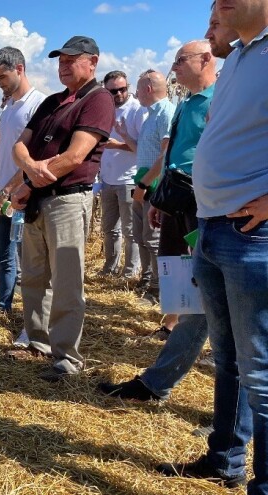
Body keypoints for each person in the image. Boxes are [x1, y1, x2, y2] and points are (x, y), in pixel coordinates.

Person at [157, 2, 268, 489]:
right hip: (216, 227)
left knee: (261, 374)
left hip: (252, 236)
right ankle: (225, 460)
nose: (217, 6)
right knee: (229, 361)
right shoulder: (244, 55)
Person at [100, 38, 220, 405]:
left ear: (206, 60)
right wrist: (160, 195)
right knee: (191, 283)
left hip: (208, 206)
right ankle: (159, 374)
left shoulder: (220, 100)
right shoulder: (186, 104)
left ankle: (170, 375)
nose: (175, 67)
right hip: (179, 201)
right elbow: (173, 156)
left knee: (211, 287)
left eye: (181, 60)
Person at [5, 36, 115, 381]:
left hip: (68, 198)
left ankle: (67, 358)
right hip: (40, 197)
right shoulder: (53, 101)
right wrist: (30, 170)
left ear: (92, 62)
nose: (63, 66)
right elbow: (19, 146)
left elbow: (76, 156)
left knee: (67, 281)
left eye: (71, 60)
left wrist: (31, 178)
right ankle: (38, 342)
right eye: (60, 61)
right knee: (34, 276)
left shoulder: (98, 99)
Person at [0, 46, 47, 327]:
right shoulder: (8, 108)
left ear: (19, 69)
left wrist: (7, 190)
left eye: (3, 77)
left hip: (24, 194)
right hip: (1, 194)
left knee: (30, 262)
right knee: (4, 257)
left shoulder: (39, 105)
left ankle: (33, 320)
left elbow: (35, 158)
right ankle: (4, 307)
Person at [128, 70, 175, 335]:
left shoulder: (166, 112)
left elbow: (165, 155)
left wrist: (146, 184)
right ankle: (150, 284)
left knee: (154, 239)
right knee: (143, 237)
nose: (135, 92)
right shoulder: (151, 115)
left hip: (153, 187)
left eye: (137, 87)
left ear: (147, 88)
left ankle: (158, 289)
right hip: (143, 184)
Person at [97, 70, 146, 279]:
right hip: (107, 179)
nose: (118, 94)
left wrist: (119, 145)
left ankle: (130, 271)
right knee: (109, 229)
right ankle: (109, 268)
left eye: (122, 89)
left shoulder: (137, 110)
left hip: (128, 179)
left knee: (130, 231)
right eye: (113, 91)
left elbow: (144, 147)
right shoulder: (105, 110)